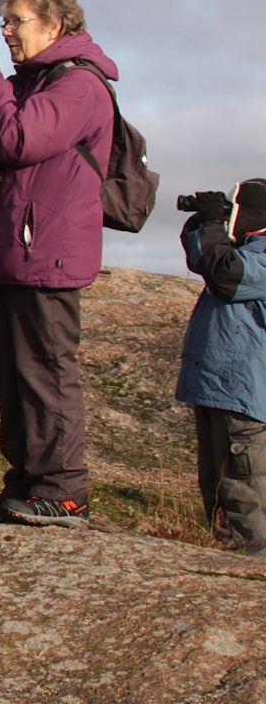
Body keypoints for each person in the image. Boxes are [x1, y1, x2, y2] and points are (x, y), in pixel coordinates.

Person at [0, 0, 115, 529]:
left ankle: (64, 492)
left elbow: (19, 140)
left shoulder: (80, 85)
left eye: (16, 21)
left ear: (55, 22)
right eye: (4, 22)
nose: (8, 31)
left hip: (49, 253)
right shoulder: (30, 82)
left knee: (45, 374)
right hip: (16, 250)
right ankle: (24, 484)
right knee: (14, 378)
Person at [175, 180, 266, 555]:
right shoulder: (243, 248)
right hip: (216, 389)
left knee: (243, 486)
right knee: (216, 483)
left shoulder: (258, 255)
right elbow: (202, 258)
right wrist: (203, 219)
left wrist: (215, 224)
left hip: (243, 394)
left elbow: (227, 275)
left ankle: (253, 562)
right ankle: (225, 555)